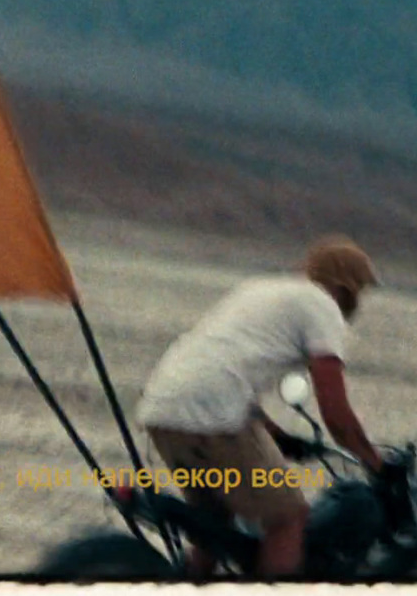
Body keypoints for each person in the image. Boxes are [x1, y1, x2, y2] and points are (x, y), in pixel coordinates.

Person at [134, 235, 394, 578]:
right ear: (347, 288)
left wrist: (278, 436)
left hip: (163, 410)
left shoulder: (261, 289)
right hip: (211, 419)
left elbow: (226, 365)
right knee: (287, 518)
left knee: (215, 519)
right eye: (360, 289)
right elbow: (337, 416)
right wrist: (377, 464)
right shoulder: (322, 307)